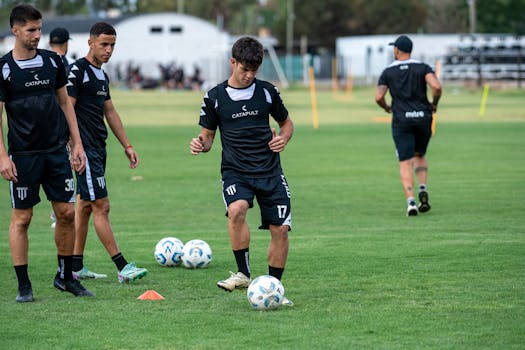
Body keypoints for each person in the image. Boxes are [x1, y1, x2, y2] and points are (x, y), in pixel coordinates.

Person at [189, 37, 294, 305]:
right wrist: (201, 144)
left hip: (270, 171)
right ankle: (243, 273)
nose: (248, 76)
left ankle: (274, 287)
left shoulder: (268, 91)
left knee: (280, 229)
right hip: (236, 171)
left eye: (253, 71)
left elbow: (287, 123)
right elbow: (208, 138)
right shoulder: (214, 97)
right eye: (244, 69)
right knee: (236, 209)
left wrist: (283, 138)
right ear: (232, 62)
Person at [0, 4, 93, 302]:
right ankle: (24, 285)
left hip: (56, 152)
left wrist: (76, 144)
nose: (37, 35)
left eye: (39, 29)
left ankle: (65, 278)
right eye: (30, 30)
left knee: (66, 213)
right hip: (24, 155)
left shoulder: (53, 62)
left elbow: (66, 104)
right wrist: (2, 157)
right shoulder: (3, 68)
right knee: (22, 218)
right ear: (15, 30)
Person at [66, 22, 147, 283]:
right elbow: (67, 109)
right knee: (102, 205)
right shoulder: (78, 71)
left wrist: (127, 145)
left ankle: (74, 267)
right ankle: (122, 266)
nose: (109, 49)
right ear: (90, 42)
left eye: (112, 45)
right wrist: (73, 146)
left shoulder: (102, 75)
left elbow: (109, 111)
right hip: (85, 150)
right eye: (104, 44)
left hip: (98, 149)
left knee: (86, 207)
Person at [375, 35, 442, 216]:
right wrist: (434, 103)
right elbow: (436, 86)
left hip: (401, 120)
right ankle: (422, 188)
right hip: (423, 118)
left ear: (397, 50)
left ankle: (411, 202)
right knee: (420, 155)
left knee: (405, 161)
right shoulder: (423, 67)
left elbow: (378, 97)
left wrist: (387, 108)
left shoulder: (388, 71)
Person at [49, 26, 71, 229]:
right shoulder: (64, 64)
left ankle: (57, 215)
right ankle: (60, 217)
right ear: (66, 43)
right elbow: (67, 102)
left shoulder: (45, 61)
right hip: (62, 132)